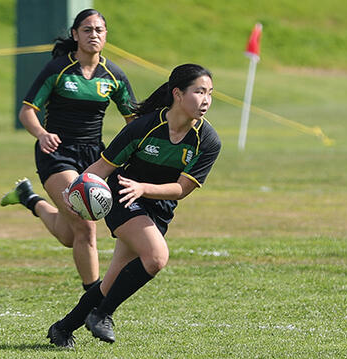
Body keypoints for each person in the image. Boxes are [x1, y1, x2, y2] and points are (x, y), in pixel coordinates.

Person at [46, 63, 221, 349]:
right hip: (123, 197)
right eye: (199, 92)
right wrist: (74, 190)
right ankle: (103, 315)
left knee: (111, 282)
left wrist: (145, 189)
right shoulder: (144, 126)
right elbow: (103, 167)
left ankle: (62, 328)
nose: (206, 100)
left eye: (210, 93)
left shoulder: (207, 140)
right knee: (156, 257)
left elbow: (181, 189)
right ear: (177, 94)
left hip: (158, 206)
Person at [0, 9, 136, 294]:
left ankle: (29, 198)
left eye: (99, 30)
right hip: (57, 153)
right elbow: (27, 112)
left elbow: (133, 121)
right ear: (75, 35)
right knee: (86, 227)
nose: (93, 35)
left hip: (93, 157)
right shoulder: (58, 69)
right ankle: (93, 301)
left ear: (106, 35)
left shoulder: (114, 75)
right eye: (87, 30)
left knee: (68, 234)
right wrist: (41, 133)